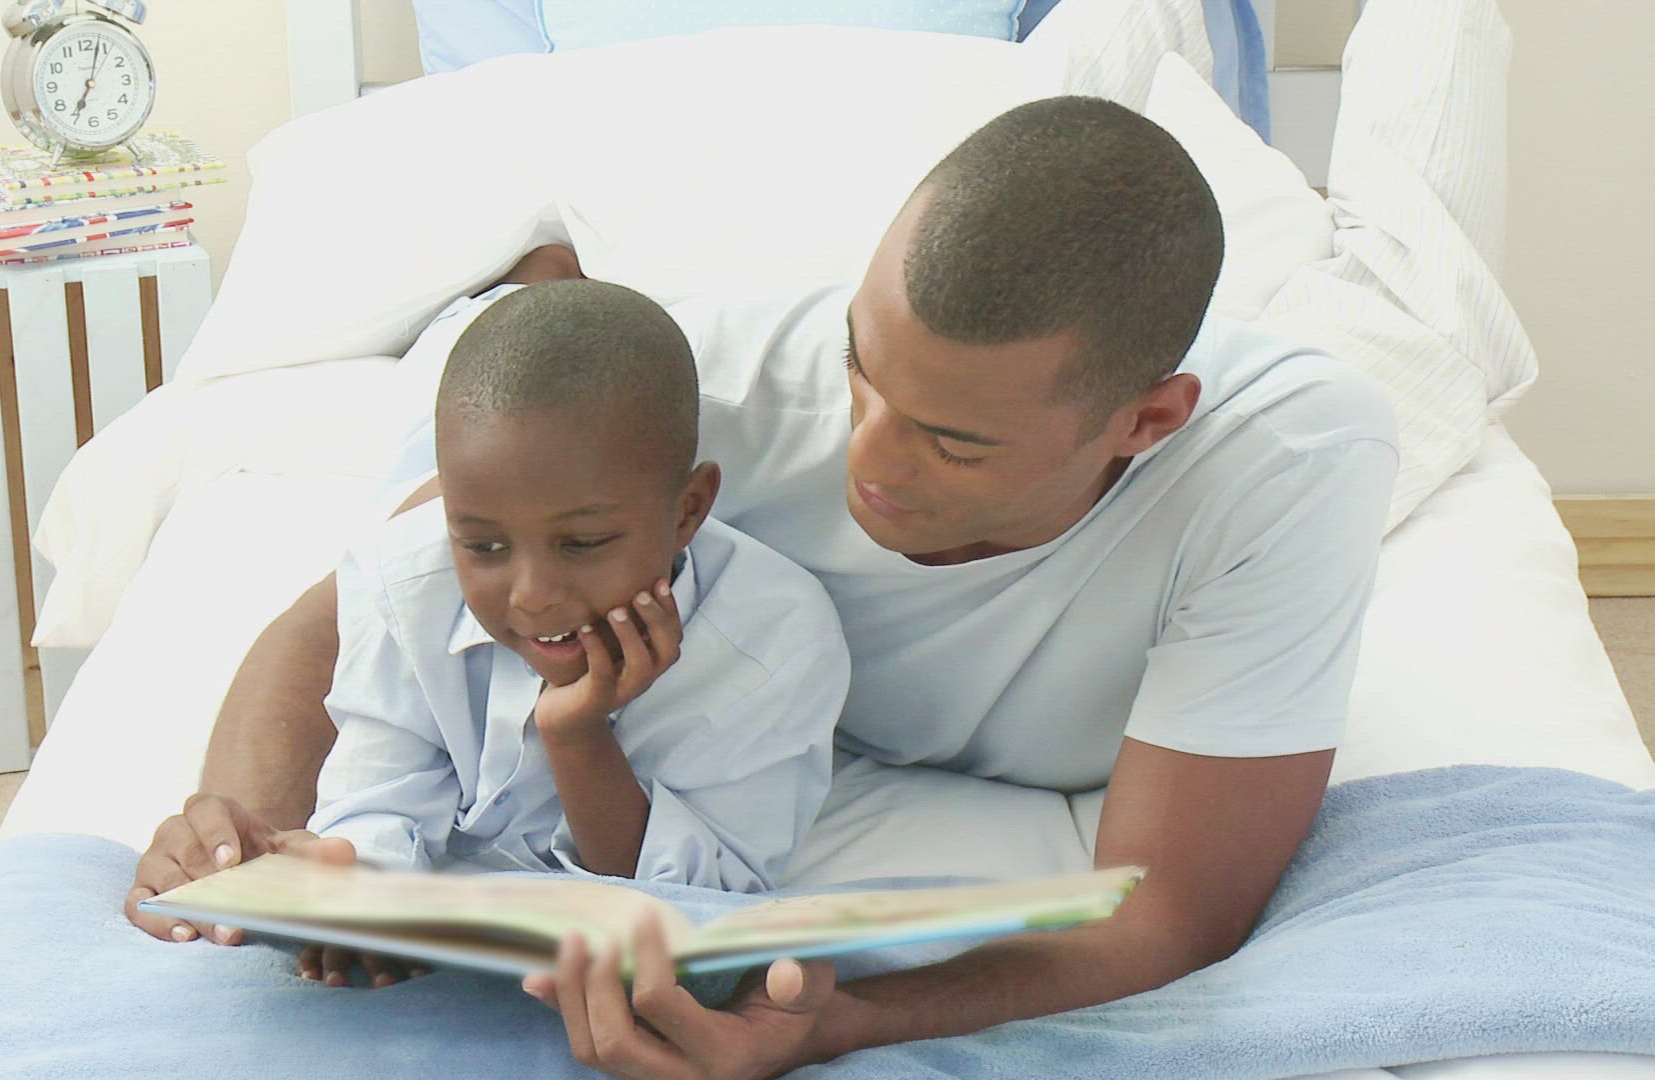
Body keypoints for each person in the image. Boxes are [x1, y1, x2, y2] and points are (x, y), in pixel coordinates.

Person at [127, 96, 1399, 1078]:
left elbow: (1163, 915)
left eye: (952, 443)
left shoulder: (1284, 471)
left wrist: (844, 1023)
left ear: (1146, 420)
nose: (868, 462)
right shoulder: (694, 398)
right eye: (862, 370)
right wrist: (244, 835)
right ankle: (532, 274)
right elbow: (348, 614)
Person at [283, 280, 849, 984]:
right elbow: (376, 797)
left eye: (582, 544)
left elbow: (696, 912)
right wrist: (356, 890)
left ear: (687, 511)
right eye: (483, 546)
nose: (532, 596)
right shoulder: (402, 577)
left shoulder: (776, 645)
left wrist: (577, 737)